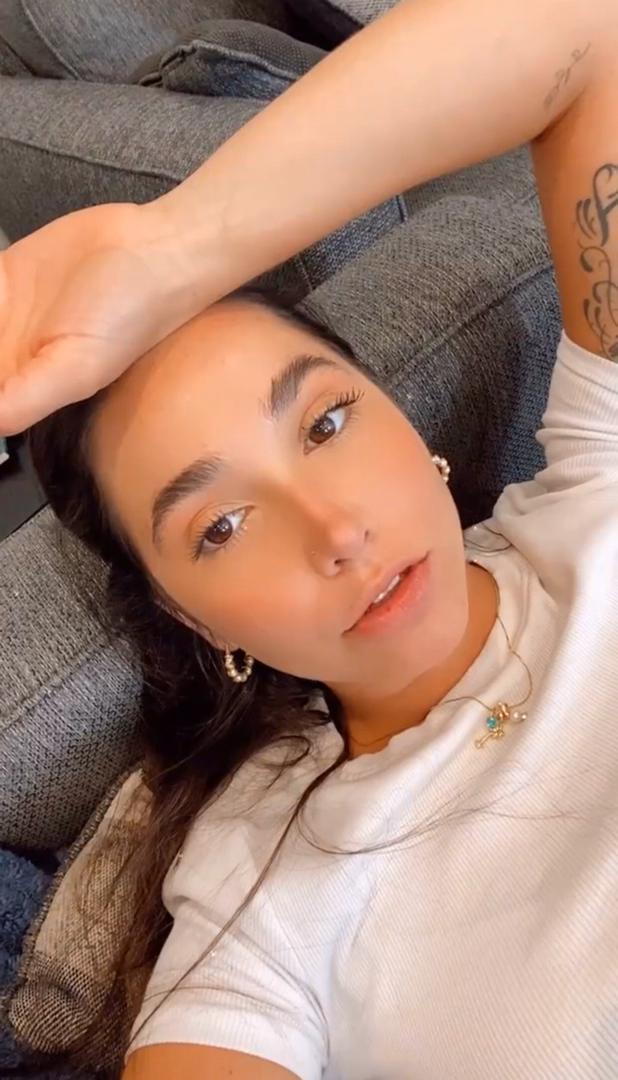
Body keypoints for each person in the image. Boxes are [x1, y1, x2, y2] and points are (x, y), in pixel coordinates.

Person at [12, 0, 618, 1077]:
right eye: (223, 525)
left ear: (404, 419)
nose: (338, 531)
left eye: (328, 423)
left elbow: (585, 31)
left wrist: (169, 247)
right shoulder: (265, 889)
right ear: (193, 616)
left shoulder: (598, 480)